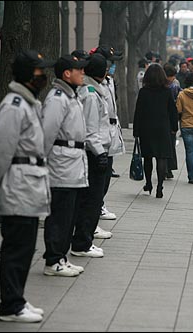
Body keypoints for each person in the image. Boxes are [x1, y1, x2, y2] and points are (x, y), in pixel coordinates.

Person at [0, 49, 55, 322]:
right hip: (17, 185)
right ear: (28, 76)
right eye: (39, 72)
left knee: (26, 247)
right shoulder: (15, 105)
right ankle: (9, 306)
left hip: (28, 186)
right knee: (17, 248)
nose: (43, 77)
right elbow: (0, 148)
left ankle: (17, 299)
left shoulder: (28, 103)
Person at [41, 55, 89, 278]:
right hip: (61, 164)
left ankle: (61, 256)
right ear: (66, 73)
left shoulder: (72, 96)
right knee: (60, 214)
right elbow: (47, 133)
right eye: (79, 70)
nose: (82, 73)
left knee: (68, 214)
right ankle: (53, 259)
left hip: (73, 162)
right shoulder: (58, 98)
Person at [70, 53, 110, 258]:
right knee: (92, 200)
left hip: (89, 152)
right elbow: (91, 130)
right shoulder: (92, 94)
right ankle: (82, 243)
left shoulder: (88, 90)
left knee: (88, 199)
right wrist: (101, 153)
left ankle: (82, 240)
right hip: (93, 153)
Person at [133, 63, 179, 198]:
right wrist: (174, 127)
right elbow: (173, 111)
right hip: (162, 128)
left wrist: (136, 131)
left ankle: (148, 183)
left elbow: (138, 112)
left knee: (147, 157)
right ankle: (160, 186)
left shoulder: (143, 92)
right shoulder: (166, 91)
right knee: (161, 157)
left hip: (146, 128)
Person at [92, 45, 126, 225]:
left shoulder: (110, 81)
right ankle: (96, 208)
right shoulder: (93, 86)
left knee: (106, 175)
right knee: (99, 176)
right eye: (110, 63)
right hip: (100, 133)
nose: (112, 67)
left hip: (111, 130)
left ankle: (99, 204)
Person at [164, 64, 182, 179]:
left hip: (170, 118)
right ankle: (167, 168)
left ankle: (168, 168)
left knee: (169, 145)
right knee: (168, 145)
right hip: (169, 118)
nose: (172, 79)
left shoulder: (174, 85)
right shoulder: (172, 85)